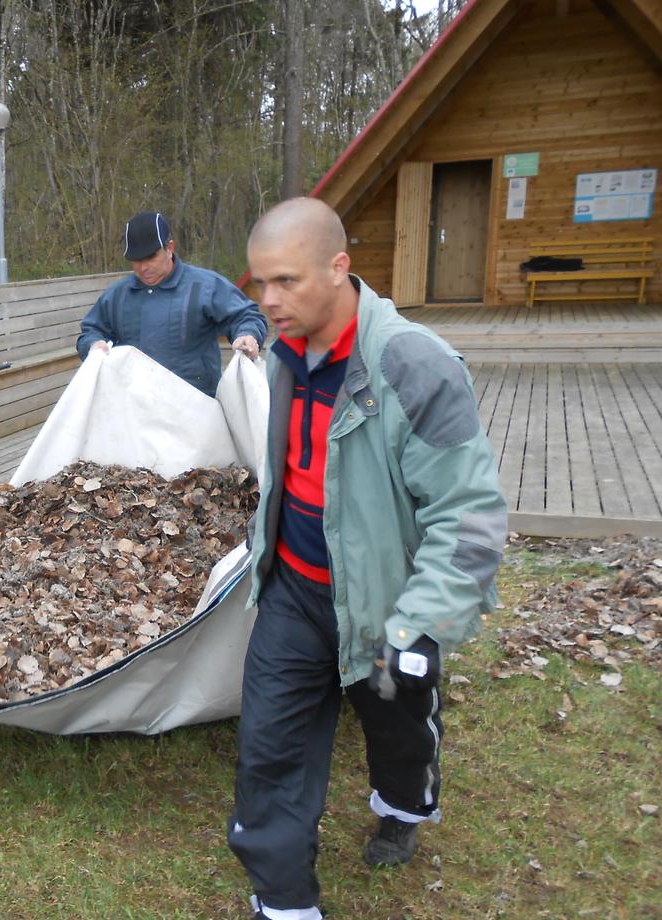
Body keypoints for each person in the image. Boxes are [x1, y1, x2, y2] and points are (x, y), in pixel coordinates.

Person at [227, 198, 507, 920]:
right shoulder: (285, 350)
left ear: (339, 267)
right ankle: (284, 902)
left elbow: (469, 516)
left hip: (389, 605)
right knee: (269, 746)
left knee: (398, 727)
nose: (268, 301)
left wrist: (421, 623)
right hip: (294, 590)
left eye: (285, 281)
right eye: (259, 284)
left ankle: (402, 808)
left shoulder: (415, 365)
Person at [77, 211, 266, 397]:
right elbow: (91, 330)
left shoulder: (205, 286)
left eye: (150, 257)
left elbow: (245, 316)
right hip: (134, 407)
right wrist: (93, 345)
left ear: (170, 248)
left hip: (196, 405)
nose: (143, 267)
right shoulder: (117, 295)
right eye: (136, 260)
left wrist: (248, 334)